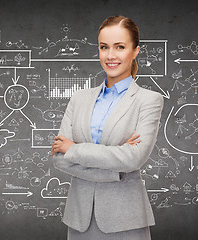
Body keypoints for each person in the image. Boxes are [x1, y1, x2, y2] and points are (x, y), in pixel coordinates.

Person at [51, 15, 164, 240]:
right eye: (104, 47)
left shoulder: (149, 100)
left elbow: (134, 159)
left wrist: (73, 149)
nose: (110, 55)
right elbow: (58, 158)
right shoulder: (79, 98)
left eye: (120, 47)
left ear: (135, 51)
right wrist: (116, 170)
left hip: (126, 220)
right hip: (79, 220)